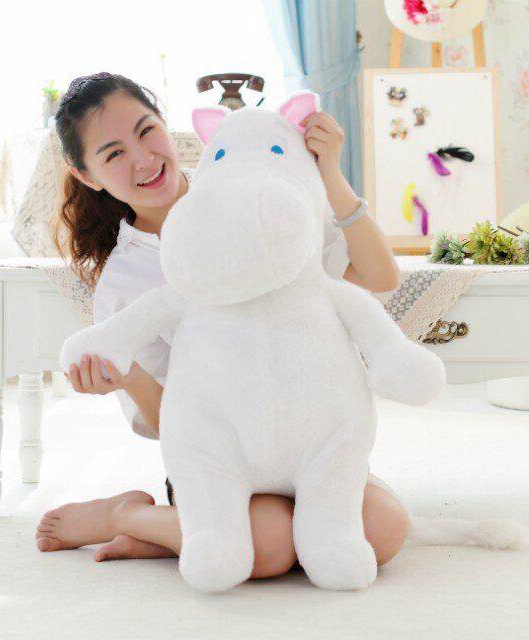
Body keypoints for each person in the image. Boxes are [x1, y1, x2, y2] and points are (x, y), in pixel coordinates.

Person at [37, 72, 410, 579]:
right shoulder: (126, 279)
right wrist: (128, 376)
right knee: (269, 544)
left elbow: (380, 276)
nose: (143, 159)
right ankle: (126, 515)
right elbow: (171, 424)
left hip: (304, 443)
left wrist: (331, 175)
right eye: (114, 153)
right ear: (88, 176)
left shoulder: (257, 192)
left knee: (386, 529)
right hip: (217, 464)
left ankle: (175, 538)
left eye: (146, 131)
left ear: (167, 124)